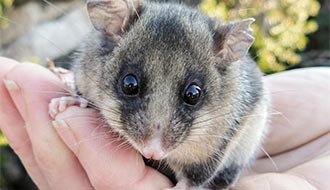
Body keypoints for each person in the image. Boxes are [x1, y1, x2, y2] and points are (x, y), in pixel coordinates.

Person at [0, 57, 329, 190]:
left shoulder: (230, 91)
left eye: (191, 96)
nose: (154, 147)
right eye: (131, 88)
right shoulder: (103, 55)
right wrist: (80, 95)